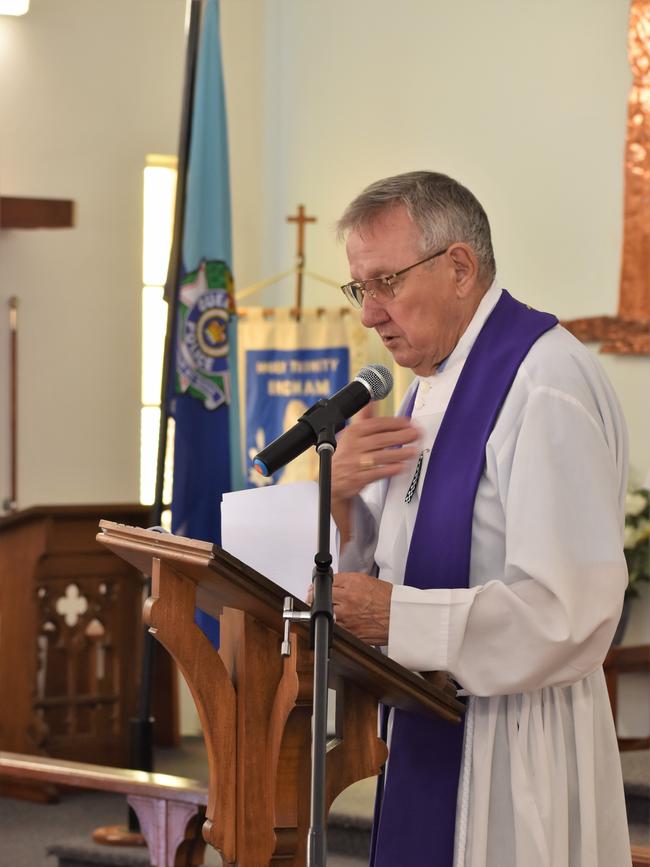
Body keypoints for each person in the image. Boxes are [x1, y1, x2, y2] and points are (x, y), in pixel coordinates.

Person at [327, 171, 631, 867]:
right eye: (359, 288)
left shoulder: (544, 381)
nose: (370, 313)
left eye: (385, 282)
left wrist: (398, 617)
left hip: (516, 744)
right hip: (431, 723)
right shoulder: (427, 391)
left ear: (459, 266)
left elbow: (569, 612)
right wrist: (340, 497)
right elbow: (384, 561)